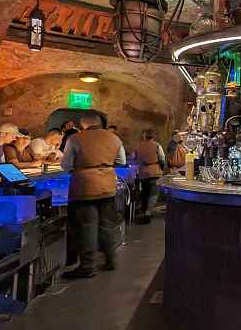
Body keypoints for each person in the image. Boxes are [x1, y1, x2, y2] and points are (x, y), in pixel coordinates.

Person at [61, 114, 127, 278]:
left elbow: (65, 164)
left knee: (87, 226)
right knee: (107, 225)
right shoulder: (114, 139)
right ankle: (111, 259)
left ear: (84, 124)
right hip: (108, 186)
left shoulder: (75, 139)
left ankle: (87, 266)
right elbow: (121, 161)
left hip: (84, 187)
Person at [136, 129, 167, 224]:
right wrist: (162, 168)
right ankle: (148, 213)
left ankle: (143, 210)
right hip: (155, 172)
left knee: (145, 192)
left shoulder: (139, 146)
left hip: (143, 172)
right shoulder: (157, 145)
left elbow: (135, 157)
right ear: (153, 136)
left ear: (145, 136)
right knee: (153, 193)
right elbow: (162, 158)